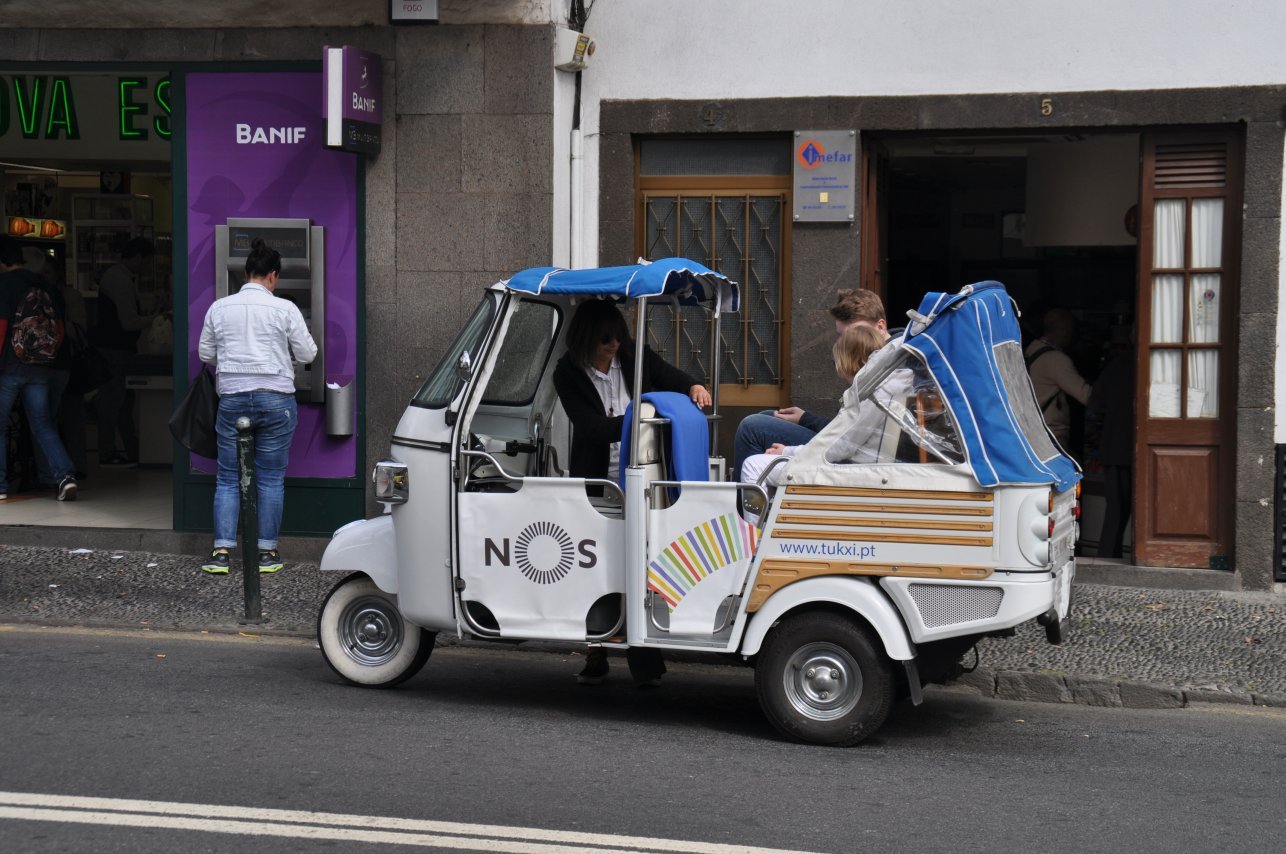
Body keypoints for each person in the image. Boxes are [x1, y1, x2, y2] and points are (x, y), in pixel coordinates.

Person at [551, 298, 710, 686]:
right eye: (605, 338)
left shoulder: (633, 355)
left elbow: (669, 375)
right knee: (599, 565)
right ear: (586, 338)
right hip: (600, 479)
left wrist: (693, 384)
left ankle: (643, 661)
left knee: (640, 563)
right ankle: (597, 649)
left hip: (645, 471)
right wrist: (642, 417)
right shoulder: (568, 372)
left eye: (618, 336)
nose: (614, 345)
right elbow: (590, 429)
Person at [198, 239, 317, 575]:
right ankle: (267, 553)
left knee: (227, 477)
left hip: (233, 398)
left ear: (247, 272)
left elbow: (206, 354)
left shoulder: (219, 308)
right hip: (276, 399)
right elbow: (308, 355)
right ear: (273, 276)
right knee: (270, 478)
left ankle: (221, 552)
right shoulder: (286, 309)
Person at [732, 288, 890, 479]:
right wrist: (805, 419)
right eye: (841, 336)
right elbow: (849, 429)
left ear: (881, 327)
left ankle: (745, 503)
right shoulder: (877, 363)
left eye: (854, 334)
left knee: (752, 428)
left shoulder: (886, 370)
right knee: (765, 417)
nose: (844, 343)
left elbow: (846, 441)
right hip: (847, 446)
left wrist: (788, 451)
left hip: (848, 458)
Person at [0, 236, 77, 502]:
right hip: (41, 367)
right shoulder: (45, 285)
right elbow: (60, 328)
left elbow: (0, 327)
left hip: (9, 367)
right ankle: (65, 476)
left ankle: (0, 484)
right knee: (43, 424)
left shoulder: (4, 285)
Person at [93, 236, 153, 466]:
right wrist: (156, 319)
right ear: (138, 257)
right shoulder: (119, 279)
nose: (148, 267)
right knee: (114, 401)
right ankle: (108, 451)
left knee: (122, 401)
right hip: (115, 349)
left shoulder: (119, 276)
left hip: (115, 347)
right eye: (147, 261)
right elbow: (128, 322)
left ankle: (131, 450)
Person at [1088, 333, 1135, 558]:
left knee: (1115, 511)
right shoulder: (1151, 363)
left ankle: (1108, 557)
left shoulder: (1117, 365)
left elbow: (1096, 401)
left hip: (1116, 445)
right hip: (1127, 446)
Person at [1025, 307, 1092, 450]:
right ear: (1065, 330)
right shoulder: (1057, 360)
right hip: (1050, 436)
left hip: (1028, 431)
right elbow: (1086, 395)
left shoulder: (1029, 352)